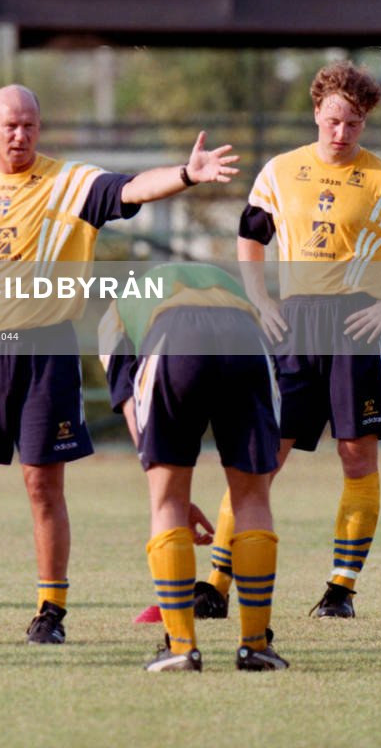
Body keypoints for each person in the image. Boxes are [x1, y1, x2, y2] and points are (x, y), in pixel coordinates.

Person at [0, 84, 238, 645]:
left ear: (38, 129)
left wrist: (186, 175)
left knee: (43, 486)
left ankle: (50, 612)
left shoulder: (69, 183)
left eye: (29, 126)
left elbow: (132, 188)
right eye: (10, 126)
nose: (20, 136)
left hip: (46, 352)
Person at [197, 60, 381, 622]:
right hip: (293, 327)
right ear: (317, 112)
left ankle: (341, 590)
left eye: (354, 124)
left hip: (357, 330)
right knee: (262, 455)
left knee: (356, 454)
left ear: (365, 124)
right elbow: (250, 233)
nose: (341, 133)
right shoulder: (280, 172)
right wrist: (260, 299)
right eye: (334, 120)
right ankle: (215, 582)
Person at [100, 262, 288, 672]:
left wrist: (169, 492)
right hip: (245, 337)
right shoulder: (218, 282)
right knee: (253, 497)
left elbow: (133, 408)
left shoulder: (113, 315)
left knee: (164, 500)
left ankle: (182, 648)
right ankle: (255, 646)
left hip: (175, 336)